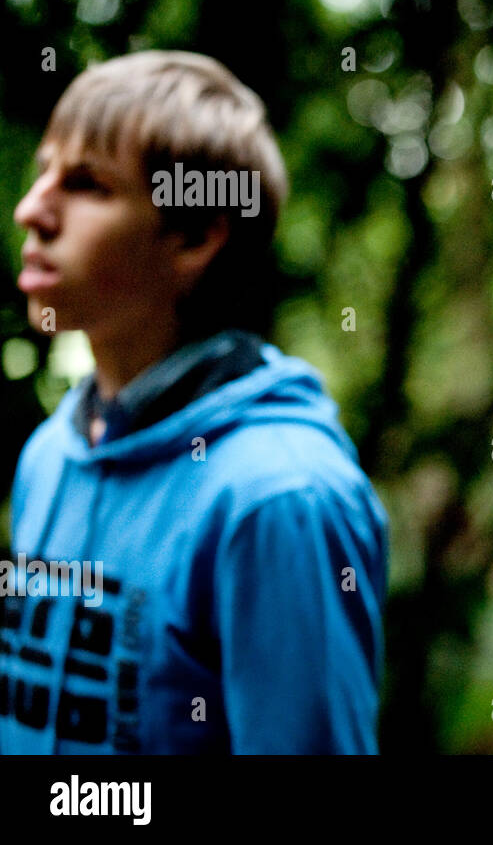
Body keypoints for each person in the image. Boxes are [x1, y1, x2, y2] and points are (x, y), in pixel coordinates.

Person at [1, 50, 388, 753]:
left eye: (86, 184)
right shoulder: (50, 454)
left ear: (194, 235)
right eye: (42, 172)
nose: (33, 209)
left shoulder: (282, 499)